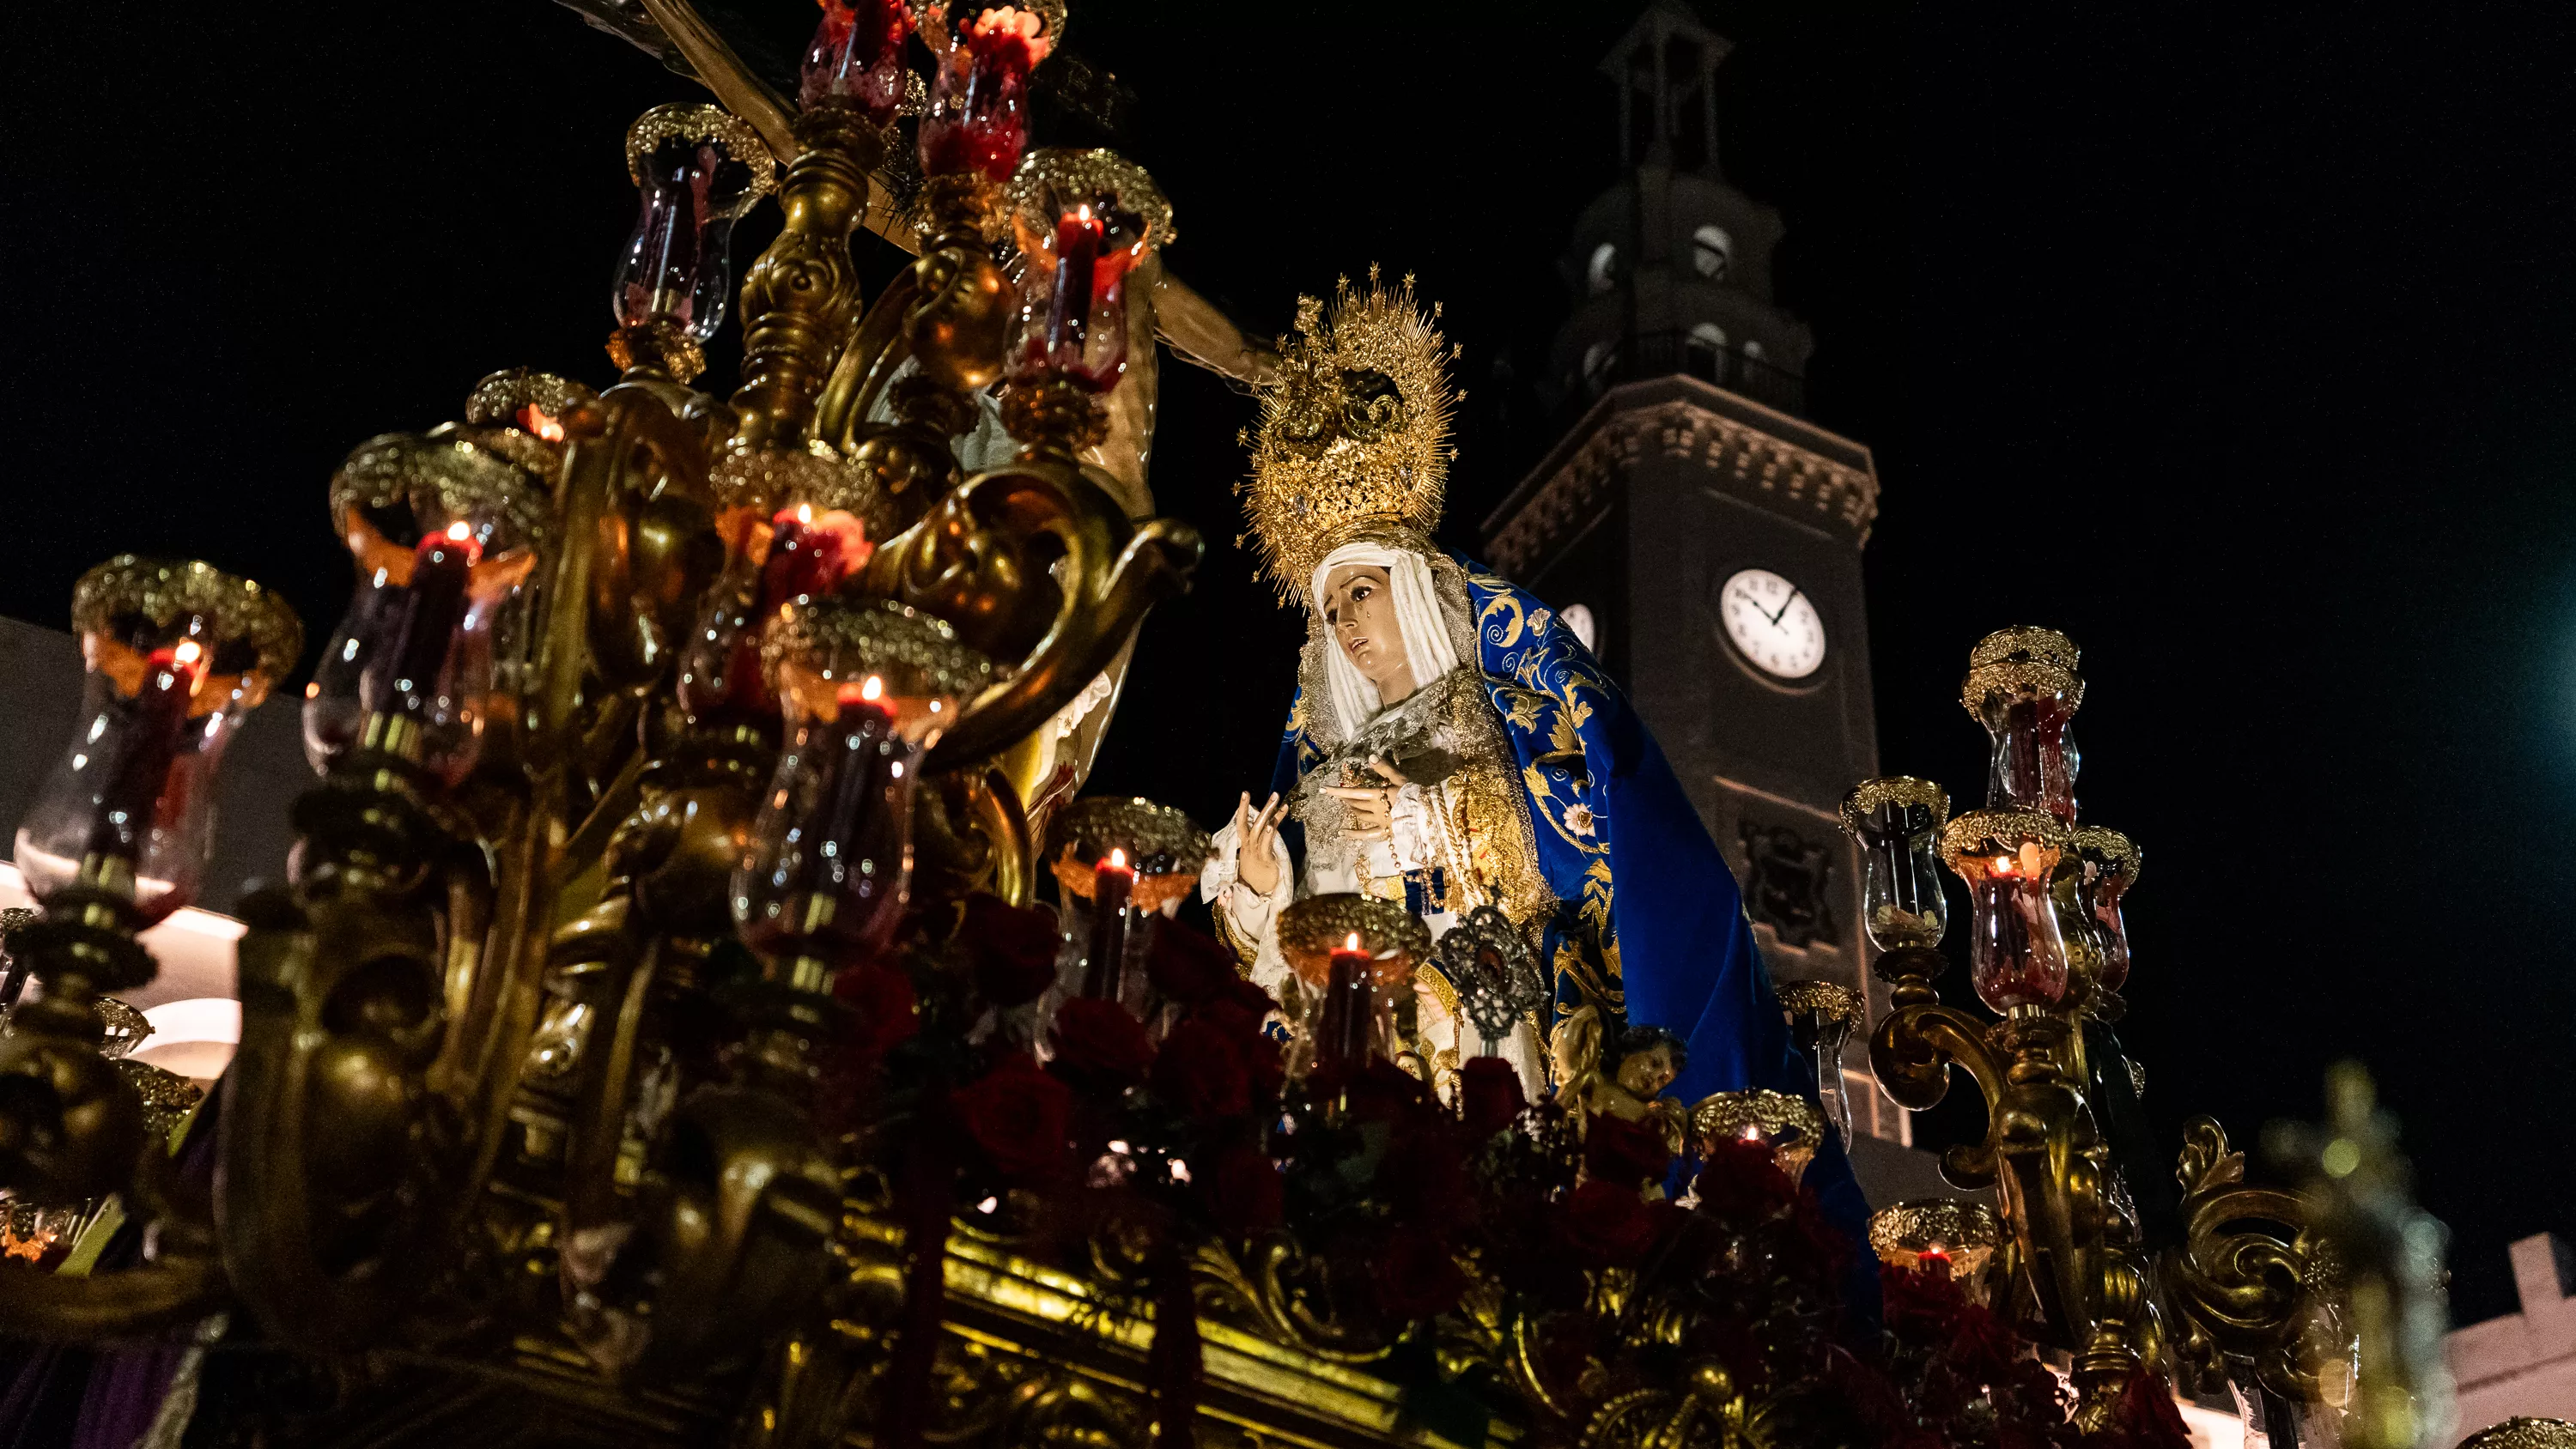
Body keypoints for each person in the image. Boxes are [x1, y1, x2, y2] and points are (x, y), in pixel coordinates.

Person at [1197, 276, 1875, 1296]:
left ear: (1419, 592)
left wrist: (1432, 818)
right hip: (1367, 1050)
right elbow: (1286, 964)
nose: (1346, 621)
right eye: (1330, 603)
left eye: (1365, 588)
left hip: (1488, 1027)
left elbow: (1584, 838)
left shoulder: (1501, 714)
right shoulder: (1320, 764)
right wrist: (1259, 893)